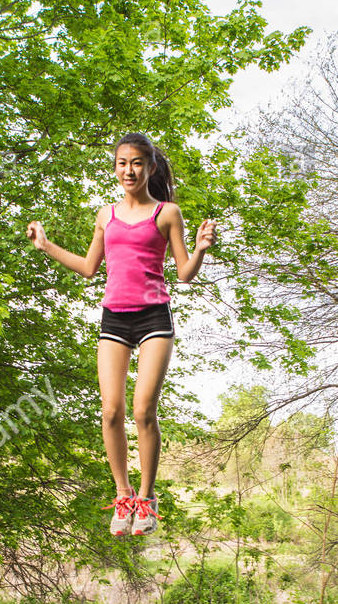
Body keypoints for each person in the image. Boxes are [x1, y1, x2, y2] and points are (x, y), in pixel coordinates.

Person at [26, 132, 216, 536]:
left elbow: (183, 273)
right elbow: (89, 267)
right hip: (114, 317)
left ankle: (146, 499)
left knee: (143, 410)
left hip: (153, 318)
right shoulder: (105, 215)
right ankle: (123, 494)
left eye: (137, 163)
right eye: (122, 163)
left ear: (150, 168)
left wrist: (199, 249)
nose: (129, 170)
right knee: (111, 410)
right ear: (115, 168)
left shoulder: (167, 213)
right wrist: (46, 246)